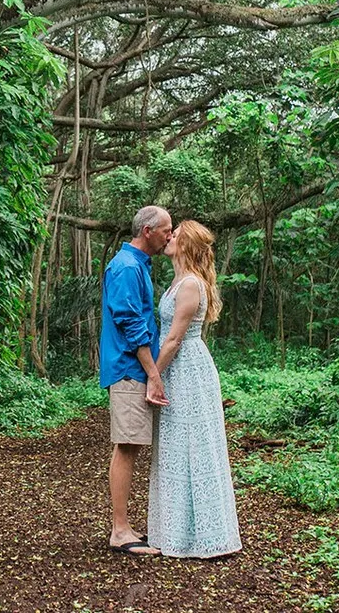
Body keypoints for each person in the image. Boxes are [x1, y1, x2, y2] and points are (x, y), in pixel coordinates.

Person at [147, 219, 243, 559]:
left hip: (187, 369)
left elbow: (174, 339)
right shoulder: (177, 281)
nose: (169, 237)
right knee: (175, 446)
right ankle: (176, 531)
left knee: (193, 445)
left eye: (176, 235)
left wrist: (153, 376)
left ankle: (205, 534)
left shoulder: (190, 284)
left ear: (187, 245)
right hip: (175, 368)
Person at [100, 204, 172, 556]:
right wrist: (153, 374)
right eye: (166, 230)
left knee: (131, 444)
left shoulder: (138, 265)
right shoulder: (127, 267)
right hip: (129, 369)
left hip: (134, 368)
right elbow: (131, 325)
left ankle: (124, 526)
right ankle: (119, 530)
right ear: (148, 231)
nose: (169, 237)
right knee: (127, 445)